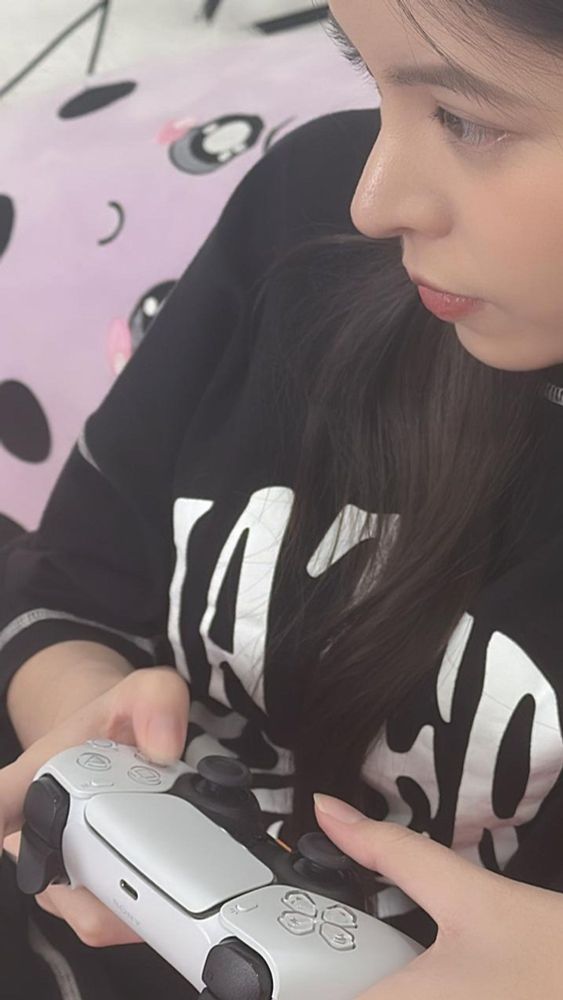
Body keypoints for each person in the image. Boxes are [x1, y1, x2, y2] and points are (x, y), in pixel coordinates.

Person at [2, 0, 563, 996]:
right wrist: (92, 739)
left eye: (463, 119)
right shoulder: (302, 215)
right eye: (370, 77)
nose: (374, 200)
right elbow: (65, 590)